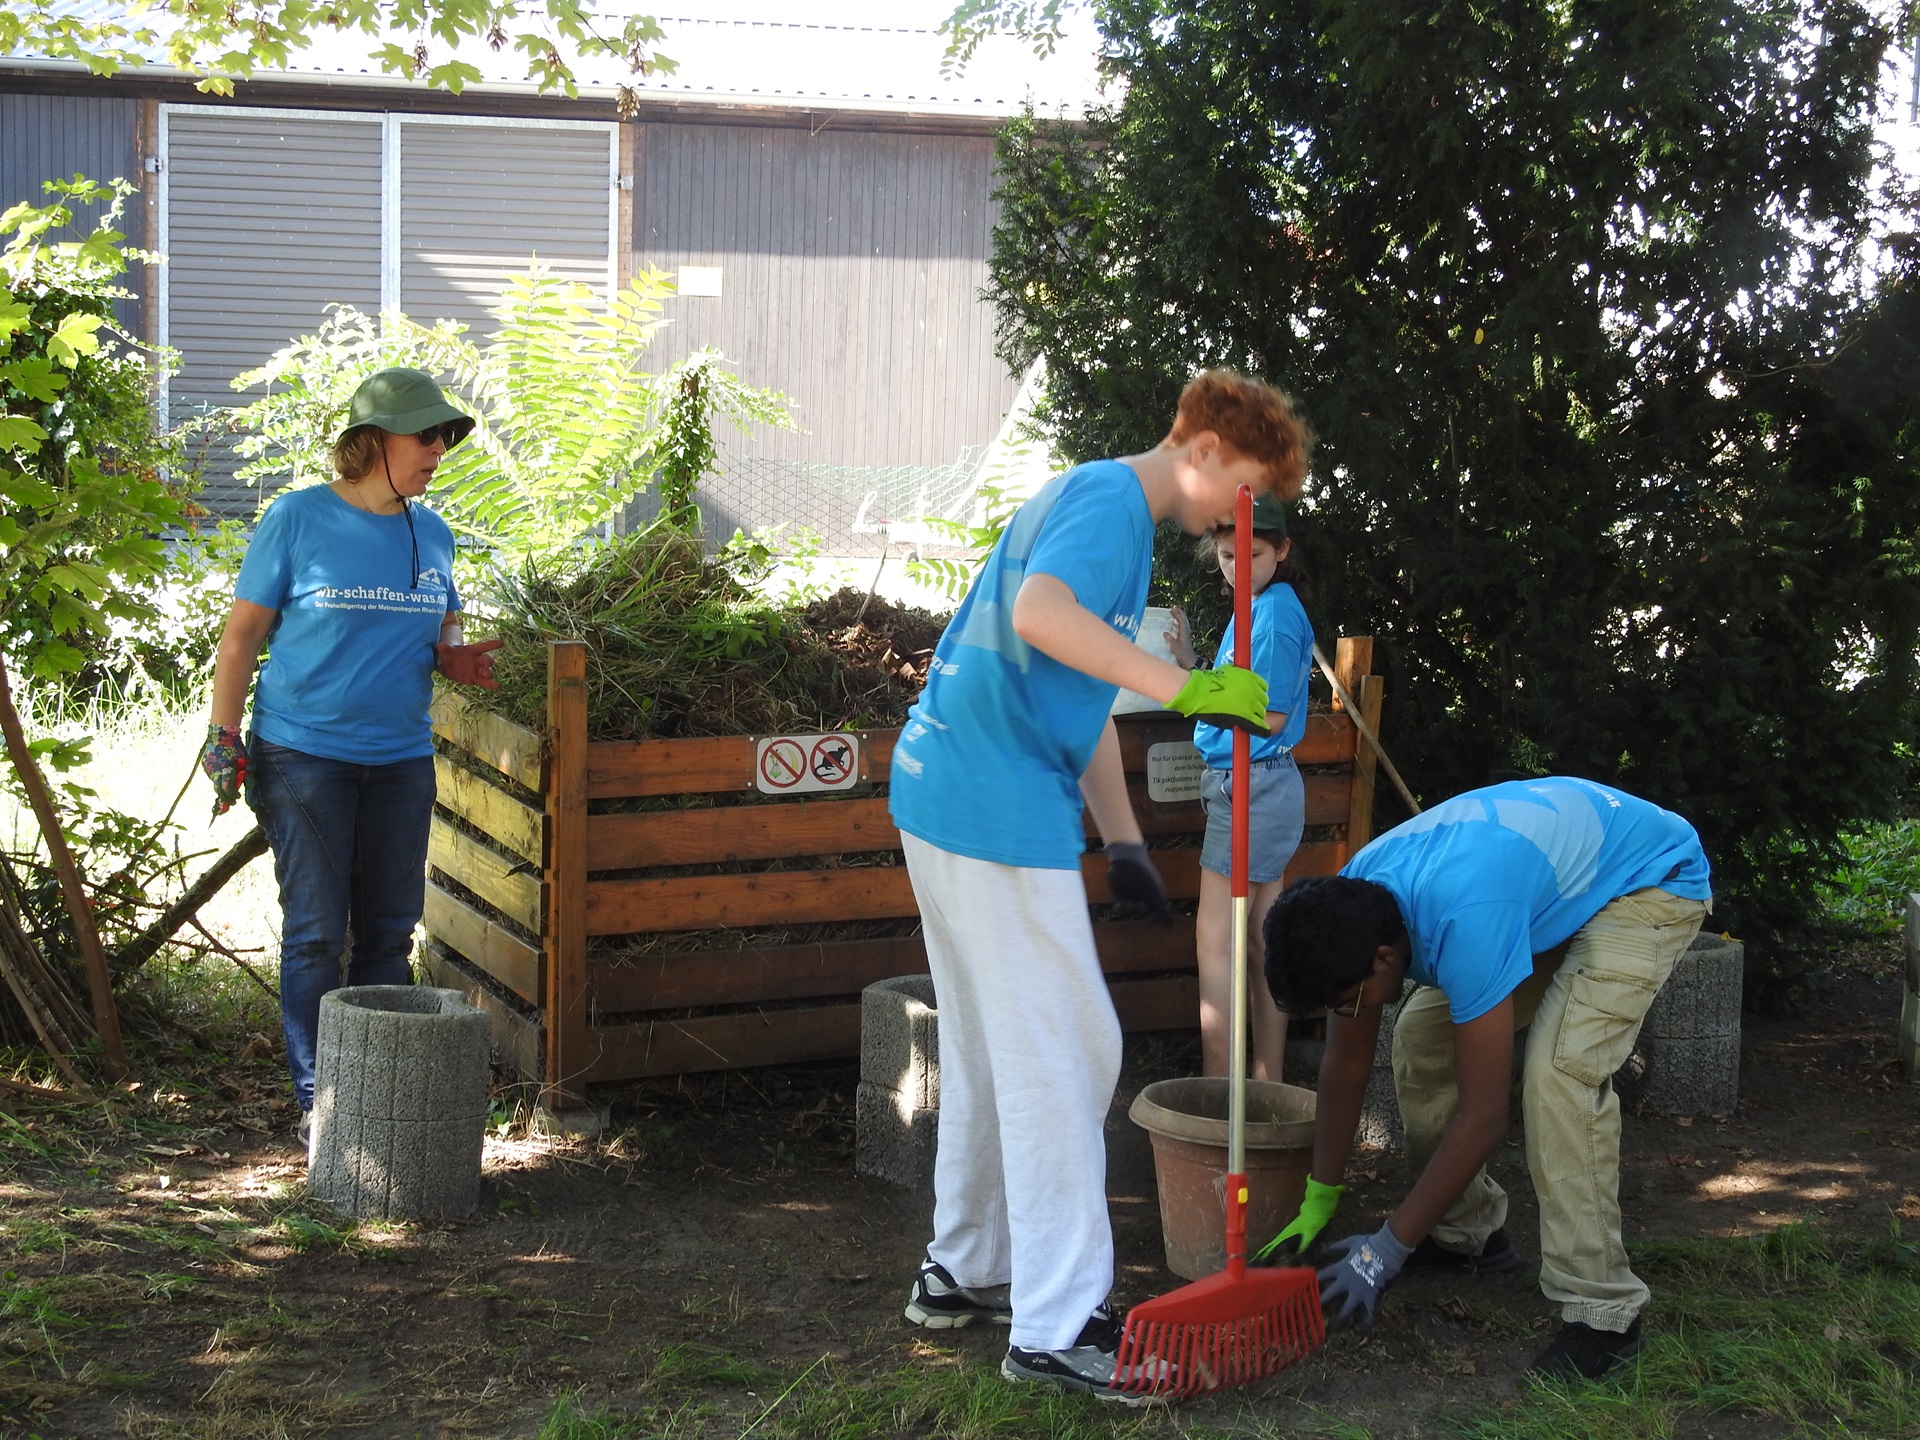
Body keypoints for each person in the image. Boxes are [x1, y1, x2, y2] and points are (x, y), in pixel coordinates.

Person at [889, 370, 1314, 1404]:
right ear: (1205, 449)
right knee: (1068, 1052)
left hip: (948, 789)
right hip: (990, 809)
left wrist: (1122, 841)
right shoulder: (1111, 503)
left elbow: (1069, 693)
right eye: (1243, 491)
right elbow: (1041, 616)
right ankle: (1056, 1325)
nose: (1234, 517)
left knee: (1000, 1051)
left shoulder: (1103, 508)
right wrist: (1189, 686)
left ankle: (967, 1269)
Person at [1260, 776, 1712, 1381]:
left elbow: (1485, 1115)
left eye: (1346, 1001)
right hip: (1552, 887)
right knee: (1421, 1038)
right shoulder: (1359, 896)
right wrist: (1320, 1198)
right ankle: (1461, 1232)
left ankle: (1604, 1313)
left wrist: (1383, 1252)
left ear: (1384, 959)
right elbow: (1346, 1063)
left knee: (1560, 1073)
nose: (1347, 1014)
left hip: (1648, 880)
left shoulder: (1465, 919)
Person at [199, 367, 503, 1143]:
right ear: (373, 441)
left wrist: (454, 657)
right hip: (304, 754)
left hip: (401, 756)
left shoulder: (432, 531)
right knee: (315, 931)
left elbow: (446, 626)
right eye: (425, 434)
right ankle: (321, 1106)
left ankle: (375, 1093)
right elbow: (241, 638)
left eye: (445, 436)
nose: (440, 449)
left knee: (389, 930)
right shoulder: (297, 518)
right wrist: (223, 735)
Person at [1164, 491, 1314, 1083]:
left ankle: (1217, 1090)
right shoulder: (1258, 604)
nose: (1237, 568)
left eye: (1251, 554)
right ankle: (1264, 1080)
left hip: (1251, 785)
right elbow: (1241, 693)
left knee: (1218, 944)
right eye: (1227, 556)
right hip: (1256, 783)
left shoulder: (1273, 614)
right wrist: (1191, 663)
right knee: (1259, 939)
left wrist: (1182, 687)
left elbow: (1269, 718)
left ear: (1282, 549)